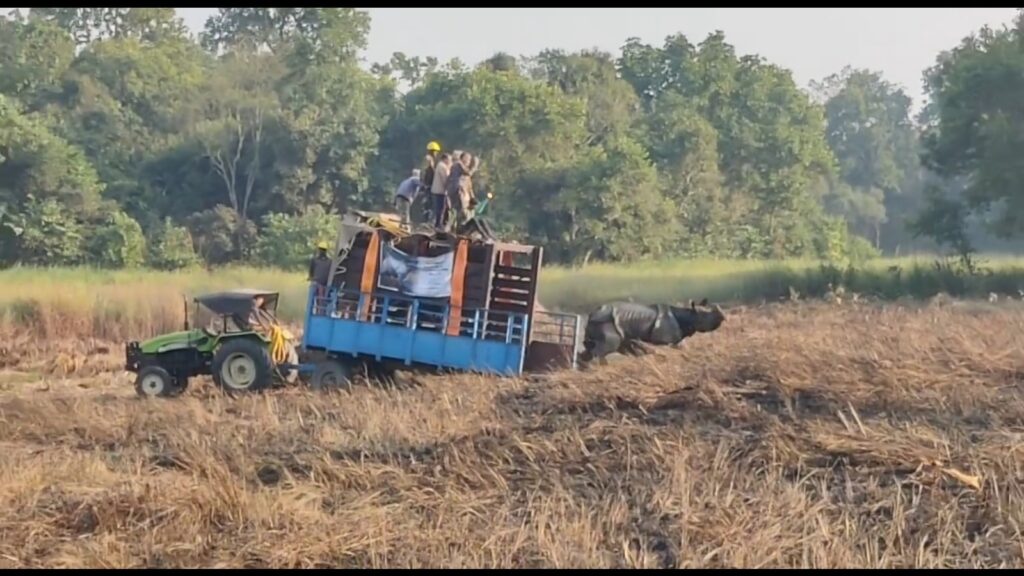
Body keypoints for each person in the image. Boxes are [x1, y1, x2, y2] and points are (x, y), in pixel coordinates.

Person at [446, 151, 481, 227]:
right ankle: (459, 229)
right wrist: (475, 166)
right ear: (462, 158)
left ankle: (457, 227)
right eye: (467, 159)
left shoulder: (458, 167)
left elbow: (469, 184)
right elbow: (469, 173)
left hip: (457, 192)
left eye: (470, 159)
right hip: (457, 191)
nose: (468, 161)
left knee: (461, 212)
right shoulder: (458, 164)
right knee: (461, 212)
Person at [308, 241, 332, 313]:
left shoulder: (329, 261)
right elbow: (311, 272)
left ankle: (320, 312)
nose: (322, 251)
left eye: (323, 250)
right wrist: (311, 278)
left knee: (322, 301)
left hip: (325, 285)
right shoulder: (314, 260)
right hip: (316, 284)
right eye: (321, 249)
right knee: (316, 301)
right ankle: (318, 312)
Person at [420, 141, 441, 222]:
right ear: (432, 151)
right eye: (435, 152)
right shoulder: (429, 159)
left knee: (428, 204)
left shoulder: (428, 159)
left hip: (427, 185)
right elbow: (430, 171)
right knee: (428, 204)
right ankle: (426, 221)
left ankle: (427, 220)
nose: (436, 153)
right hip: (428, 185)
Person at [431, 153, 452, 230]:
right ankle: (438, 224)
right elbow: (445, 179)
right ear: (445, 159)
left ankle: (438, 224)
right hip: (440, 191)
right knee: (441, 208)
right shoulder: (442, 166)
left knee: (440, 208)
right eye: (449, 160)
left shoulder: (440, 165)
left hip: (438, 190)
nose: (450, 161)